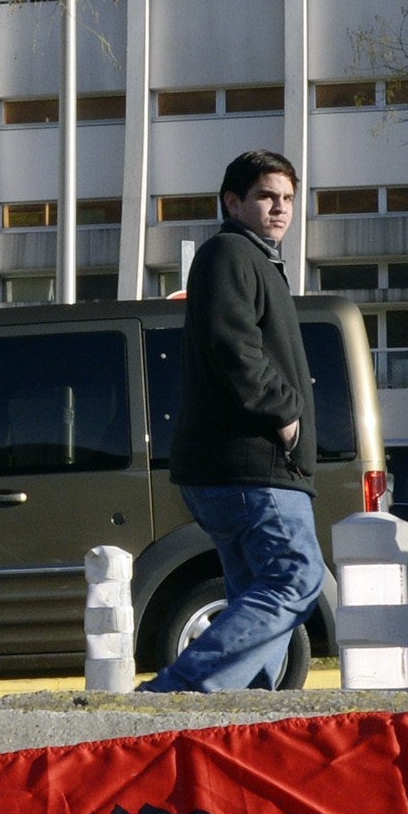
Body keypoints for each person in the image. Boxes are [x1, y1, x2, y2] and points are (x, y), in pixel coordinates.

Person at [153, 150, 322, 693]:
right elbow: (236, 349)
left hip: (246, 468)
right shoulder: (229, 252)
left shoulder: (256, 259)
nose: (279, 208)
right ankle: (176, 694)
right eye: (266, 197)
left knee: (257, 591)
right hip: (251, 466)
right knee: (295, 576)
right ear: (233, 201)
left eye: (288, 199)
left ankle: (249, 713)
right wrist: (285, 414)